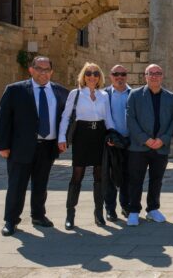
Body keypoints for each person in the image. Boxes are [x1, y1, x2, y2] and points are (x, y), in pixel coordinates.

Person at [0, 56, 69, 236]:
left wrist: (65, 139)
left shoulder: (61, 92)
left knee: (41, 184)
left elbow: (68, 118)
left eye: (47, 69)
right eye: (39, 69)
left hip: (47, 146)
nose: (43, 73)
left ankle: (38, 215)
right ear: (31, 70)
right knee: (17, 184)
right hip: (21, 146)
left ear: (51, 72)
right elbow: (4, 119)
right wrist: (3, 146)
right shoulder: (15, 90)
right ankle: (11, 220)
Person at [58, 62, 116, 230]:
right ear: (83, 76)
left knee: (100, 176)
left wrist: (112, 133)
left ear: (100, 77)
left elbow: (109, 118)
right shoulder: (75, 94)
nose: (92, 76)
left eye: (95, 74)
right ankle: (70, 214)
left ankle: (98, 213)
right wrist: (62, 137)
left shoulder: (104, 95)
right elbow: (66, 117)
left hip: (99, 135)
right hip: (82, 136)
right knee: (77, 174)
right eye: (89, 73)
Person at [125, 64, 173, 227]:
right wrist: (145, 139)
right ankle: (133, 210)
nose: (154, 76)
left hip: (161, 146)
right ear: (145, 76)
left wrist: (163, 139)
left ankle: (153, 209)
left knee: (157, 180)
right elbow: (130, 119)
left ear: (162, 76)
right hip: (139, 147)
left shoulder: (171, 97)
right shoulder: (134, 95)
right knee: (136, 179)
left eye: (157, 73)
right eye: (151, 73)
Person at [103, 65, 131, 222]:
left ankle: (126, 206)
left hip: (129, 142)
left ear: (126, 76)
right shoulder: (104, 94)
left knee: (128, 175)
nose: (119, 77)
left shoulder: (133, 94)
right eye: (116, 74)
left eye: (123, 74)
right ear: (110, 76)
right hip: (111, 142)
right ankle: (110, 209)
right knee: (109, 178)